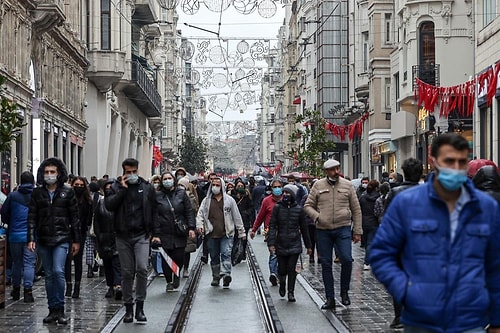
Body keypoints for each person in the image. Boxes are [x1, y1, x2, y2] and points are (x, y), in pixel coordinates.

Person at [370, 133, 500, 332]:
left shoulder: (486, 207)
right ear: (433, 161)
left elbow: (495, 266)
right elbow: (381, 255)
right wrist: (406, 291)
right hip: (422, 319)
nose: (455, 168)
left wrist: (496, 320)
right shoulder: (407, 204)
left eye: (461, 161)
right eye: (449, 161)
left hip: (470, 319)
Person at [303, 159, 362, 310]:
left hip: (343, 228)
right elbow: (308, 206)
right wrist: (318, 216)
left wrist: (357, 231)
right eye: (333, 169)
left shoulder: (347, 185)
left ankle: (344, 291)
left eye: (338, 168)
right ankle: (330, 298)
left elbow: (356, 209)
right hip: (323, 229)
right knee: (326, 263)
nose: (336, 172)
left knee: (347, 259)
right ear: (326, 171)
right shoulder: (318, 185)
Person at [27, 157, 80, 325]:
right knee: (49, 274)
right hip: (43, 238)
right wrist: (30, 238)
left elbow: (75, 218)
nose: (49, 175)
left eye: (52, 172)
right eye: (47, 172)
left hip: (61, 238)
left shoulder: (67, 191)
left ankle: (61, 308)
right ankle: (52, 309)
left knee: (58, 271)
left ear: (59, 174)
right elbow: (32, 217)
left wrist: (76, 240)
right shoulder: (37, 193)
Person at [104, 158, 157, 323]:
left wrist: (154, 233)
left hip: (142, 234)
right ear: (124, 172)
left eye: (134, 171)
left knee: (141, 268)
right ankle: (128, 308)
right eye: (129, 172)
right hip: (122, 236)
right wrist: (122, 191)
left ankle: (140, 307)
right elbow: (109, 205)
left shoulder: (146, 187)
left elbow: (154, 210)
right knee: (127, 272)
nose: (132, 175)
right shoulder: (115, 187)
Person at [196, 177, 246, 288]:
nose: (215, 187)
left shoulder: (229, 200)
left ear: (222, 186)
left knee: (225, 254)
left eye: (218, 185)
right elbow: (200, 214)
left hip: (226, 233)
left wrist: (241, 232)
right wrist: (199, 225)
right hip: (211, 234)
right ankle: (216, 276)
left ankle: (226, 274)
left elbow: (236, 216)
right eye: (213, 184)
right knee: (214, 256)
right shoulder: (206, 201)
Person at [151, 172, 195, 291]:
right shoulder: (157, 196)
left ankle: (176, 272)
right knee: (166, 258)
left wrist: (191, 227)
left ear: (174, 180)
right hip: (164, 232)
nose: (167, 180)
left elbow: (189, 212)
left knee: (179, 256)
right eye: (165, 179)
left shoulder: (181, 194)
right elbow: (154, 215)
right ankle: (169, 281)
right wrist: (155, 234)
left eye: (169, 178)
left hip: (179, 231)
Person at [267, 184, 312, 302]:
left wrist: (308, 246)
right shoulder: (277, 208)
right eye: (284, 193)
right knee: (282, 269)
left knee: (292, 269)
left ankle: (291, 292)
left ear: (293, 195)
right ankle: (282, 283)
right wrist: (271, 243)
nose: (285, 195)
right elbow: (272, 226)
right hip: (280, 242)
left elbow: (304, 228)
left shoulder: (299, 210)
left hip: (294, 243)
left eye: (288, 193)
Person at [0, 171, 36, 303]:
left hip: (14, 234)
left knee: (16, 262)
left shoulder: (13, 195)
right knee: (29, 263)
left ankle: (16, 289)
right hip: (31, 236)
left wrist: (11, 223)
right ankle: (28, 292)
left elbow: (4, 212)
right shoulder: (36, 196)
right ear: (33, 181)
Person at [250, 179, 283, 286]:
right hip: (271, 231)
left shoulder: (286, 199)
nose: (277, 189)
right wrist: (254, 229)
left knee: (282, 254)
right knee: (273, 253)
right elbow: (260, 216)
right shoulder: (266, 201)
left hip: (284, 231)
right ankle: (273, 273)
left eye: (279, 187)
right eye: (275, 187)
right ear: (271, 188)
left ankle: (279, 273)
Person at [94, 179, 122, 300]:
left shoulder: (120, 203)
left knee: (117, 263)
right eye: (107, 187)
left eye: (111, 187)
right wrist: (99, 235)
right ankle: (110, 285)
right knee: (108, 264)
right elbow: (96, 221)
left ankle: (117, 285)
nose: (109, 189)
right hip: (104, 238)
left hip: (117, 238)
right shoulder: (101, 203)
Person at [65, 176, 92, 299]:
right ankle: (69, 285)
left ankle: (77, 286)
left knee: (78, 260)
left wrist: (85, 227)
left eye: (81, 185)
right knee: (67, 259)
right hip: (67, 232)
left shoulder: (87, 201)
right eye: (77, 185)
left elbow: (89, 217)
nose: (79, 187)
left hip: (80, 233)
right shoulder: (68, 198)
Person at [178, 177, 199, 278]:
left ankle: (185, 268)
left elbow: (193, 211)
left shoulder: (190, 197)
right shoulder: (173, 195)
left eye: (182, 186)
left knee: (187, 250)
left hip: (187, 226)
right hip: (176, 226)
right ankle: (179, 268)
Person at [358, 179, 380, 271]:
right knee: (371, 243)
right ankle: (367, 262)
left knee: (367, 243)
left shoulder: (362, 197)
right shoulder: (378, 197)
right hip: (374, 222)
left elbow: (358, 209)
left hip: (363, 222)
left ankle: (369, 261)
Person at [231, 178, 255, 260]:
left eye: (241, 186)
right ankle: (235, 252)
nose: (240, 187)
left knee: (244, 238)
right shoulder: (231, 196)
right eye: (238, 186)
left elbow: (251, 207)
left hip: (245, 220)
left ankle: (243, 252)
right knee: (235, 237)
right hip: (234, 220)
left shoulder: (247, 195)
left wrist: (246, 213)